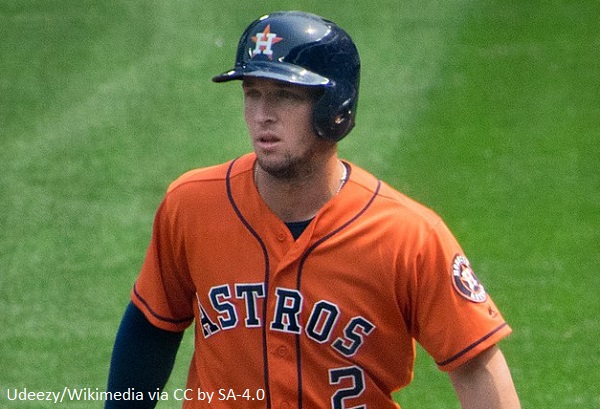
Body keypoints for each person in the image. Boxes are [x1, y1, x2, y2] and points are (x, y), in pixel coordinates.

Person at [105, 11, 521, 409]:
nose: (263, 116)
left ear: (335, 107)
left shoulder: (408, 235)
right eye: (253, 94)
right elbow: (152, 326)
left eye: (285, 96)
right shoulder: (191, 204)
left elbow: (476, 365)